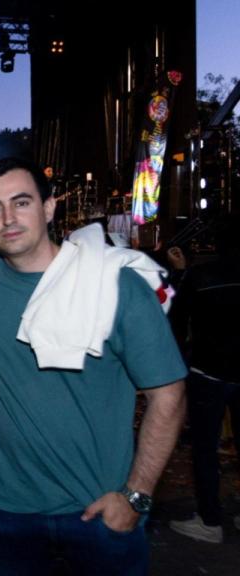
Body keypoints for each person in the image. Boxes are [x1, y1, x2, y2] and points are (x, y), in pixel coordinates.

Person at [0, 157, 187, 574]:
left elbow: (168, 394)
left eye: (21, 202)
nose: (8, 218)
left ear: (49, 208)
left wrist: (136, 495)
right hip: (3, 511)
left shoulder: (113, 283)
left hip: (99, 511)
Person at [168, 213, 240, 543]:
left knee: (204, 448)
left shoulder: (202, 275)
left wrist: (180, 273)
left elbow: (177, 319)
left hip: (208, 371)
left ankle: (210, 520)